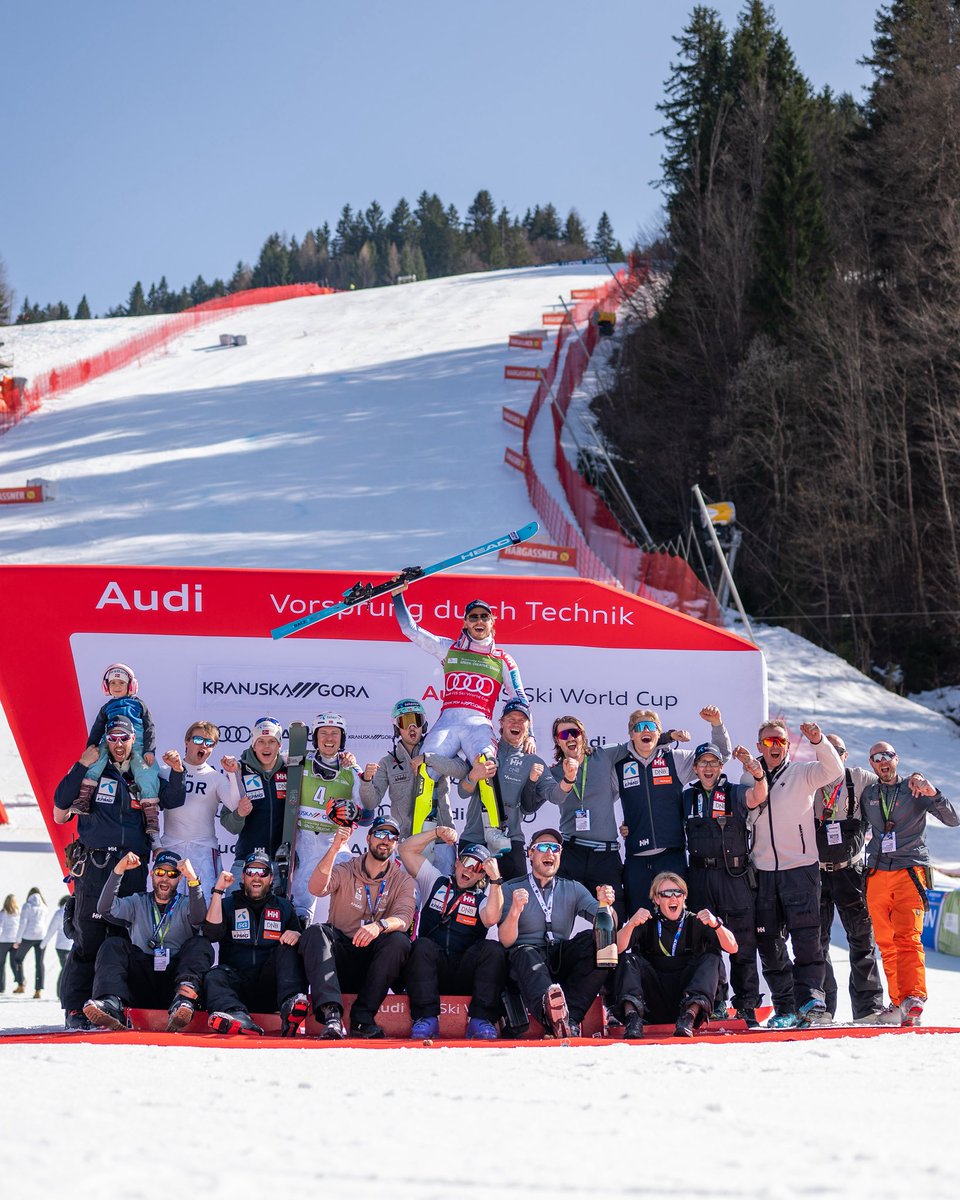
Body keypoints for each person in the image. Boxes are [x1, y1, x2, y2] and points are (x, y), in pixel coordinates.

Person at [53, 719, 186, 1029]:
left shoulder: (144, 774)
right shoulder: (94, 772)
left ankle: (109, 1003)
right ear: (107, 741)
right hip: (97, 865)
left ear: (132, 740)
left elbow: (173, 799)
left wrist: (178, 771)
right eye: (112, 737)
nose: (117, 742)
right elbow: (61, 802)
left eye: (123, 737)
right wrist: (80, 764)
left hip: (133, 868)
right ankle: (75, 1008)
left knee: (125, 936)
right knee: (89, 936)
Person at [392, 594, 527, 828]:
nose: (479, 621)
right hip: (448, 722)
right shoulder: (449, 648)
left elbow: (520, 698)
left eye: (484, 616)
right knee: (424, 768)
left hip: (478, 723)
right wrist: (397, 595)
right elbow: (410, 630)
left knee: (486, 764)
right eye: (473, 617)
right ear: (465, 622)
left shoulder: (503, 659)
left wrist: (531, 734)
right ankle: (421, 833)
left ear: (492, 621)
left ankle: (494, 831)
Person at [746, 719, 844, 1028]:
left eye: (780, 742)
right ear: (759, 745)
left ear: (788, 746)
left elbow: (834, 771)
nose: (774, 747)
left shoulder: (802, 773)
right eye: (768, 742)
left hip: (800, 868)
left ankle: (810, 1001)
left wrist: (818, 742)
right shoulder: (749, 777)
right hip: (763, 872)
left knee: (806, 939)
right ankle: (785, 1007)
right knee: (770, 943)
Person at [860, 743, 959, 1026]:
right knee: (885, 942)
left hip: (909, 871)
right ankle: (898, 1002)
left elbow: (953, 819)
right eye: (877, 758)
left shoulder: (915, 789)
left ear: (896, 759)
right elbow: (859, 829)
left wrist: (934, 794)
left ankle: (914, 997)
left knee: (908, 937)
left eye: (887, 756)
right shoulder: (869, 794)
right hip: (877, 872)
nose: (883, 761)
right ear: (872, 764)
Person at [299, 815, 416, 1038]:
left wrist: (379, 925)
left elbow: (404, 918)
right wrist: (334, 848)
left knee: (399, 940)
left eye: (392, 836)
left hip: (373, 964)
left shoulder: (402, 880)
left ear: (396, 843)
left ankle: (362, 1019)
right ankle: (331, 1016)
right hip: (339, 959)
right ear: (369, 838)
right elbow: (316, 888)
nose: (385, 840)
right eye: (380, 834)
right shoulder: (346, 868)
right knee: (316, 932)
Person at [498, 827, 616, 1038]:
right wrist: (515, 910)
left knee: (599, 942)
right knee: (523, 953)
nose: (549, 852)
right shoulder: (510, 888)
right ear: (530, 853)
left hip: (559, 955)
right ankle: (551, 1016)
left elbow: (609, 924)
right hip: (527, 960)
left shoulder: (573, 888)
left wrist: (605, 904)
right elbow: (506, 941)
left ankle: (568, 1020)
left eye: (555, 848)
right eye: (542, 847)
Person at [612, 706, 731, 913]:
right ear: (631, 734)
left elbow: (719, 755)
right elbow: (600, 799)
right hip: (636, 858)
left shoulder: (674, 759)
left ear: (658, 733)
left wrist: (716, 724)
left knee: (676, 920)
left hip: (671, 855)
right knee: (639, 921)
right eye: (639, 727)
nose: (645, 731)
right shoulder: (619, 766)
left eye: (651, 726)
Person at [682, 742, 767, 1025]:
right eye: (702, 763)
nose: (708, 768)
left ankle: (745, 1006)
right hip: (699, 878)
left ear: (721, 767)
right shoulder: (687, 797)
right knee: (706, 943)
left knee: (742, 941)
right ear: (695, 768)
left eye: (713, 763)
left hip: (734, 877)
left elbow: (758, 796)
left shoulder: (734, 792)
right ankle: (714, 1003)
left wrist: (757, 774)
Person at [83, 850, 213, 1032]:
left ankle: (184, 1000)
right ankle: (111, 1004)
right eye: (160, 873)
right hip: (142, 978)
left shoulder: (185, 903)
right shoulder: (138, 901)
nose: (165, 879)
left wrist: (193, 879)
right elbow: (105, 909)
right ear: (152, 874)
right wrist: (119, 869)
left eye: (172, 874)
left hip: (174, 982)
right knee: (113, 945)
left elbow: (199, 918)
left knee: (200, 945)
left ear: (179, 879)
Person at [399, 825, 507, 1040]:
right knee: (421, 945)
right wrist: (436, 833)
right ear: (457, 863)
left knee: (493, 949)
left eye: (478, 868)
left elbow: (493, 918)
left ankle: (480, 1020)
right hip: (433, 972)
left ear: (482, 875)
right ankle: (427, 1018)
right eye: (466, 862)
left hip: (465, 973)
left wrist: (495, 881)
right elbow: (405, 851)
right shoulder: (435, 880)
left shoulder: (483, 899)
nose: (469, 870)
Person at [613, 871, 738, 1038]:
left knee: (712, 958)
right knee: (629, 960)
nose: (673, 898)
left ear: (684, 897)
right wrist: (630, 925)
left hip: (686, 1001)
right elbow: (616, 950)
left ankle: (689, 1018)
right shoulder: (646, 922)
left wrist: (717, 925)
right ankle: (633, 1020)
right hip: (653, 1001)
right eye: (666, 894)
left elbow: (733, 947)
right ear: (656, 899)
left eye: (678, 893)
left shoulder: (696, 921)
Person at [815, 734, 885, 1023]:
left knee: (861, 940)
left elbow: (893, 787)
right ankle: (821, 1007)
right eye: (826, 750)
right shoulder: (808, 778)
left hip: (851, 872)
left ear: (844, 756)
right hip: (816, 873)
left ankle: (868, 1009)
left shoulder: (860, 778)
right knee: (815, 943)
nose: (831, 755)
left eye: (837, 750)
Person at [202, 851, 309, 1037]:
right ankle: (237, 1016)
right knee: (213, 975)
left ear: (271, 877)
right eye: (251, 871)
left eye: (263, 872)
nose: (256, 876)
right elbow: (211, 934)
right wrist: (218, 892)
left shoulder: (284, 907)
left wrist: (297, 934)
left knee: (288, 948)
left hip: (272, 987)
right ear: (243, 876)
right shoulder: (228, 904)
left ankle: (291, 1006)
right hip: (238, 985)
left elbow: (299, 944)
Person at [360, 699, 467, 869]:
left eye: (416, 721)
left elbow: (462, 771)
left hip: (441, 840)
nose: (412, 727)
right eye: (405, 722)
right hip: (406, 842)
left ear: (423, 725)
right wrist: (366, 781)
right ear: (397, 728)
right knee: (408, 895)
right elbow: (371, 802)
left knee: (441, 895)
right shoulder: (387, 762)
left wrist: (429, 759)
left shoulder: (439, 749)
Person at [291, 713, 373, 923]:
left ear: (342, 738)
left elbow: (367, 816)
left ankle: (344, 937)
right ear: (315, 737)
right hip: (304, 841)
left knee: (354, 882)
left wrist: (353, 813)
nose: (329, 738)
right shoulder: (300, 760)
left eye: (335, 733)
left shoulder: (352, 769)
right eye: (324, 733)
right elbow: (269, 760)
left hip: (333, 841)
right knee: (300, 905)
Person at [459, 698, 555, 878]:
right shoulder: (483, 750)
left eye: (522, 720)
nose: (516, 723)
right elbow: (462, 792)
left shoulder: (533, 761)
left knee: (514, 898)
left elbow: (554, 796)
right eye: (511, 718)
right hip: (474, 838)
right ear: (501, 723)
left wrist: (568, 779)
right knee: (468, 899)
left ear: (528, 727)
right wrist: (473, 777)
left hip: (511, 841)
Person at [73, 663, 162, 841]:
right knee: (96, 761)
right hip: (110, 740)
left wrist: (149, 750)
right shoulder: (107, 707)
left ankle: (150, 814)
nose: (117, 687)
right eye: (113, 683)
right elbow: (98, 728)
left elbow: (149, 727)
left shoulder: (139, 705)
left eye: (121, 683)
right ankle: (84, 798)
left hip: (135, 743)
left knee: (146, 771)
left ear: (131, 685)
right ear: (107, 686)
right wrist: (91, 747)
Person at [158, 720, 241, 899]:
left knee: (206, 902)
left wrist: (233, 774)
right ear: (186, 742)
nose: (203, 745)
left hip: (203, 848)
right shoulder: (166, 771)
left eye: (209, 742)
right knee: (167, 901)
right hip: (172, 846)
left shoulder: (215, 777)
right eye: (197, 740)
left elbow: (235, 806)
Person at [219, 717, 289, 872]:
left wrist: (346, 760)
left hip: (282, 863)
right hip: (247, 861)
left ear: (279, 745)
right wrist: (239, 814)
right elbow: (228, 823)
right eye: (261, 741)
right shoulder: (238, 772)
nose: (266, 746)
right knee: (234, 897)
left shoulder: (291, 770)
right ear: (254, 744)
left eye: (271, 741)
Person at [13, 886, 47, 998]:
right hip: (41, 936)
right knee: (39, 963)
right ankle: (38, 991)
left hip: (27, 937)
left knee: (18, 959)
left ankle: (21, 984)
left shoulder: (27, 906)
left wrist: (17, 940)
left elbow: (22, 924)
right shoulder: (44, 906)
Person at [41, 896, 74, 1002]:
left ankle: (65, 993)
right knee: (66, 969)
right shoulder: (63, 912)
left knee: (68, 970)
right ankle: (61, 993)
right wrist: (43, 944)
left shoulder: (66, 912)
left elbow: (51, 929)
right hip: (66, 946)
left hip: (68, 946)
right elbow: (52, 929)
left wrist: (43, 944)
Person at [0, 895, 24, 993]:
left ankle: (1, 987)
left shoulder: (3, 913)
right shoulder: (18, 913)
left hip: (4, 941)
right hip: (15, 941)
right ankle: (20, 983)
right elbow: (21, 926)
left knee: (1, 964)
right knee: (15, 963)